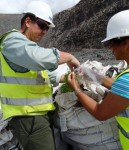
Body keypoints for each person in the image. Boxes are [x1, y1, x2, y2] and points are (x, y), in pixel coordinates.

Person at [0, 1, 80, 150]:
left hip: (36, 116)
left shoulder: (26, 48)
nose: (44, 31)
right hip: (28, 117)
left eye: (47, 28)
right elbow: (37, 58)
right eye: (42, 25)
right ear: (28, 21)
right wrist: (69, 57)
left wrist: (66, 79)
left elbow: (43, 76)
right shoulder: (12, 41)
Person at [67, 9, 129, 150]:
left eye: (111, 42)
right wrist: (94, 76)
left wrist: (76, 89)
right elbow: (124, 89)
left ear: (125, 42)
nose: (109, 47)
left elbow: (100, 113)